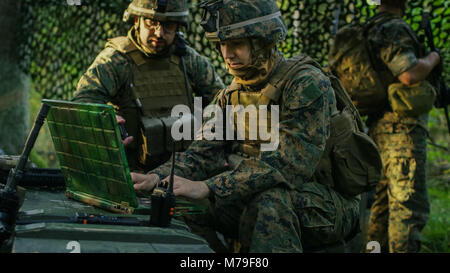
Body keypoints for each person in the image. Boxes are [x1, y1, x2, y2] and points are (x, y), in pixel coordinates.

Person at [131, 0, 360, 253]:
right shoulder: (230, 94)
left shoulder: (305, 84)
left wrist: (209, 187)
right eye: (222, 45)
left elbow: (289, 165)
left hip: (326, 203)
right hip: (260, 195)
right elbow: (202, 154)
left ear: (263, 41)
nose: (227, 54)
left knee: (270, 203)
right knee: (180, 204)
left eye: (236, 44)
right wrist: (157, 178)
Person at [72, 0, 225, 171]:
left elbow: (222, 102)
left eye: (168, 25)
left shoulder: (187, 60)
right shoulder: (116, 60)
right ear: (137, 21)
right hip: (130, 172)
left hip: (182, 171)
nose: (159, 33)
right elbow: (83, 100)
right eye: (152, 23)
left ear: (178, 27)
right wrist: (105, 121)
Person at [362, 0, 441, 252]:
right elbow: (409, 73)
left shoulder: (369, 28)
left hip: (377, 129)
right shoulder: (394, 27)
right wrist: (432, 58)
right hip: (402, 131)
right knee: (406, 210)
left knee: (381, 208)